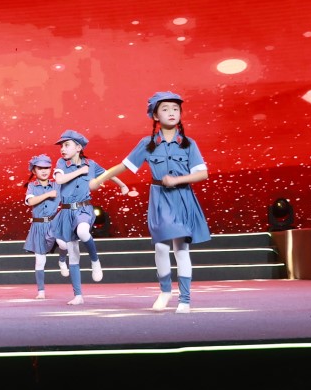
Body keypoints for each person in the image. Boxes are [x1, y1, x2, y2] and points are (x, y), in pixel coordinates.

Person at [93, 92, 210, 313]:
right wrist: (100, 179)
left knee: (181, 249)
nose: (171, 113)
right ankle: (165, 291)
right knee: (161, 247)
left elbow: (202, 173)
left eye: (175, 109)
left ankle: (185, 299)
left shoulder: (188, 144)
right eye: (165, 109)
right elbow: (124, 166)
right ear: (155, 116)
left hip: (183, 198)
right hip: (160, 199)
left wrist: (177, 180)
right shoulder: (147, 144)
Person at [51, 129, 126, 302]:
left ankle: (95, 260)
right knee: (73, 253)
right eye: (61, 146)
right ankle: (78, 295)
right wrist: (80, 171)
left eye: (66, 145)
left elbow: (108, 174)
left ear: (78, 147)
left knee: (83, 232)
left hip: (84, 209)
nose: (63, 149)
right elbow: (60, 180)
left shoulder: (91, 164)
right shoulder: (61, 163)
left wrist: (122, 185)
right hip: (67, 212)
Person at [21, 155, 61, 300]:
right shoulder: (32, 186)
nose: (44, 171)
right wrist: (48, 194)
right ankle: (41, 291)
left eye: (47, 168)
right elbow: (30, 201)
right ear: (34, 170)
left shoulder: (58, 185)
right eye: (40, 168)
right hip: (38, 226)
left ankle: (62, 260)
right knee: (40, 260)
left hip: (54, 224)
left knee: (64, 244)